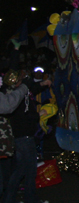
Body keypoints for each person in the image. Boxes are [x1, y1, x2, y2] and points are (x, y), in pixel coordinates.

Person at [2, 70, 52, 203]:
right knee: (30, 170)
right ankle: (30, 199)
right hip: (24, 136)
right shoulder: (14, 97)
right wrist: (39, 114)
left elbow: (30, 90)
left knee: (21, 169)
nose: (23, 80)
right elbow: (23, 116)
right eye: (20, 79)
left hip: (22, 135)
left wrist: (42, 84)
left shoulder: (17, 93)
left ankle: (9, 199)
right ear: (16, 82)